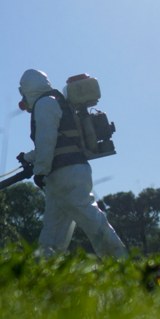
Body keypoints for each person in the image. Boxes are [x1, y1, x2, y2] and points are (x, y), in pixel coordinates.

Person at [17, 69, 128, 259]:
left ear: (29, 88)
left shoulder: (44, 104)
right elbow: (57, 141)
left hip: (64, 173)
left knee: (91, 219)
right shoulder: (55, 101)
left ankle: (122, 262)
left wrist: (41, 171)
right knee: (53, 230)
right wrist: (28, 158)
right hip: (66, 173)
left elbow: (47, 141)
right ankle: (44, 272)